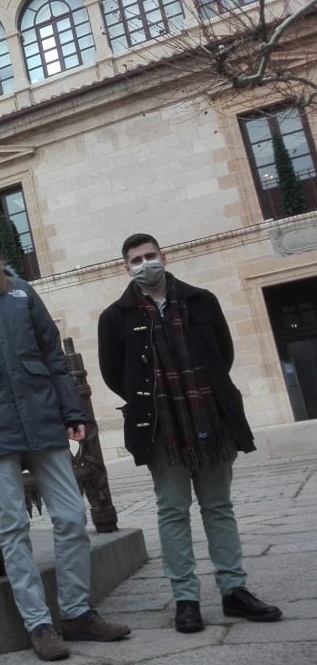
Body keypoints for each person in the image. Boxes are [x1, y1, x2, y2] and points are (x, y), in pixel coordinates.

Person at [0, 221, 130, 661]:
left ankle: (76, 612)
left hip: (41, 419)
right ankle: (39, 624)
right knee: (13, 527)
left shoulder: (19, 291)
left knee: (72, 516)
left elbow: (53, 355)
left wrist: (72, 410)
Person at [97, 233, 282, 633]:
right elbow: (115, 374)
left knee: (219, 507)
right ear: (125, 267)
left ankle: (235, 592)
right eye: (136, 260)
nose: (145, 264)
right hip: (161, 427)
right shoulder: (115, 316)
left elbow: (223, 353)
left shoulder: (202, 300)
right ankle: (186, 599)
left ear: (164, 256)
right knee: (172, 510)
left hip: (210, 417)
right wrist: (151, 399)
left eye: (150, 256)